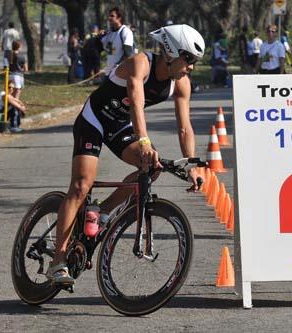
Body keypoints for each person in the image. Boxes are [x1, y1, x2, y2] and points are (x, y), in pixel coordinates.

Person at [46, 24, 205, 285]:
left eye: (194, 62)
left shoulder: (181, 84)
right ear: (170, 51)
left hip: (119, 126)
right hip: (95, 120)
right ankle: (57, 261)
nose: (191, 67)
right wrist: (144, 141)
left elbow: (185, 127)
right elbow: (137, 103)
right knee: (81, 185)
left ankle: (102, 211)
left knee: (152, 168)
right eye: (188, 59)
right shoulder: (140, 63)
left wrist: (190, 165)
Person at [100, 7, 134, 75]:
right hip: (109, 72)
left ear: (119, 18)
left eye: (112, 16)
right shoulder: (109, 33)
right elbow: (105, 49)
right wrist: (100, 36)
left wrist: (118, 65)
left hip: (120, 72)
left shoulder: (125, 31)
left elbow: (128, 54)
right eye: (109, 16)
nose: (109, 18)